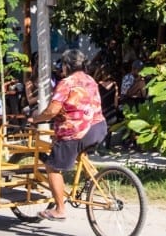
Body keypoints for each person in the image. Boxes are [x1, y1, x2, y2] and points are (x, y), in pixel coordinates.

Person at [26, 49, 107, 222]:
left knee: (52, 166)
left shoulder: (66, 83)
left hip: (77, 132)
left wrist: (36, 119)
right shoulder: (90, 80)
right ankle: (92, 179)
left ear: (67, 65)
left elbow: (52, 110)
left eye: (62, 65)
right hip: (99, 128)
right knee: (76, 152)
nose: (61, 68)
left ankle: (60, 209)